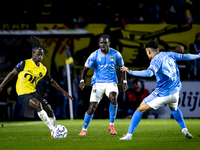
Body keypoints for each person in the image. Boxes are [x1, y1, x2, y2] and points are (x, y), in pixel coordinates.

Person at [119, 40, 200, 140]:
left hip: (162, 94)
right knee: (174, 109)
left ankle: (128, 136)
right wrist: (198, 56)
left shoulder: (156, 60)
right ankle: (185, 130)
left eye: (146, 52)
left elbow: (149, 73)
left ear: (148, 51)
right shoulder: (170, 54)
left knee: (140, 109)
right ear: (158, 49)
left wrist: (130, 71)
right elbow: (185, 56)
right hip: (175, 93)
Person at [0, 36, 73, 138]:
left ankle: (53, 132)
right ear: (33, 54)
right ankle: (53, 130)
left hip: (33, 92)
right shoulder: (24, 63)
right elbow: (12, 74)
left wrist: (63, 91)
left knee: (49, 108)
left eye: (42, 55)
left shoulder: (43, 69)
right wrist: (1, 85)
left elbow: (51, 81)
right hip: (23, 93)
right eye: (38, 54)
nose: (40, 57)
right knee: (38, 105)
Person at [78, 34, 128, 136]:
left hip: (111, 82)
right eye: (101, 43)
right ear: (98, 43)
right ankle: (84, 129)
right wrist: (82, 80)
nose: (103, 44)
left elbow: (122, 68)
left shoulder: (116, 54)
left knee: (113, 97)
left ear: (109, 43)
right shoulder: (94, 55)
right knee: (92, 107)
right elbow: (85, 69)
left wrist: (124, 82)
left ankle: (111, 125)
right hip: (98, 84)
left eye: (105, 43)